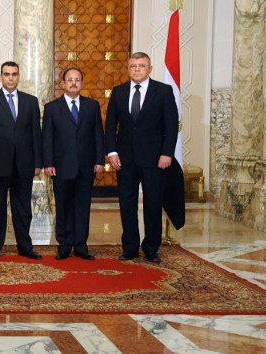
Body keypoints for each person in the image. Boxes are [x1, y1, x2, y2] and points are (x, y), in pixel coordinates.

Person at [105, 52, 178, 264]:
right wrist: (112, 152)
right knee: (126, 204)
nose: (137, 69)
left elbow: (171, 126)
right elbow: (110, 126)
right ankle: (129, 247)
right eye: (133, 66)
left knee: (153, 204)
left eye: (142, 65)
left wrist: (167, 153)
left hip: (155, 160)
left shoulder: (163, 91)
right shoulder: (118, 92)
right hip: (124, 160)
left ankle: (151, 248)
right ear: (128, 69)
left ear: (150, 69)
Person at [0, 61, 43, 260]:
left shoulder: (30, 101)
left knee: (22, 208)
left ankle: (25, 247)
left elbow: (36, 134)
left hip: (24, 164)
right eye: (7, 74)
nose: (11, 78)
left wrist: (38, 162)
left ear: (18, 77)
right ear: (1, 77)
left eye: (14, 74)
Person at [42, 67, 104, 260]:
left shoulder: (92, 106)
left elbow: (98, 135)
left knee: (83, 207)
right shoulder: (52, 108)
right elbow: (47, 138)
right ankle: (64, 244)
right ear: (63, 83)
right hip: (61, 167)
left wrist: (99, 160)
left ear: (82, 83)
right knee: (63, 206)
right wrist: (48, 163)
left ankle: (81, 245)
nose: (73, 83)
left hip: (86, 166)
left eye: (77, 80)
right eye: (70, 80)